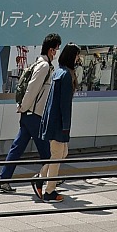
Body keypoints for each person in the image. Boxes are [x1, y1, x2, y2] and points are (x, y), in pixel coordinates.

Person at [0, 34, 61, 187]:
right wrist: (23, 107)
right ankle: (51, 178)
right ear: (51, 50)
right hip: (34, 115)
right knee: (46, 150)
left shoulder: (41, 64)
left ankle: (3, 180)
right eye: (57, 49)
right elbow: (32, 89)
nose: (57, 52)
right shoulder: (44, 66)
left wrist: (24, 109)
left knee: (18, 147)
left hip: (29, 114)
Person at [34, 42, 79, 201]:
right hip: (59, 122)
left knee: (61, 153)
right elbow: (64, 104)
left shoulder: (59, 71)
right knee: (58, 155)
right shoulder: (66, 75)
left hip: (52, 120)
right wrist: (66, 126)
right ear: (72, 56)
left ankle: (40, 178)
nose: (78, 58)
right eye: (77, 55)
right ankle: (49, 191)